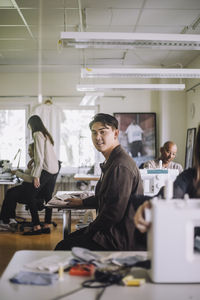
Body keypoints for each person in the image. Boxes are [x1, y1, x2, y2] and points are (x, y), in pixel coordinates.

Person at [55, 113, 143, 251]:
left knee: (63, 247)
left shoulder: (120, 165)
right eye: (94, 133)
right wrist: (82, 202)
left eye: (103, 132)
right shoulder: (112, 161)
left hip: (115, 239)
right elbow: (107, 197)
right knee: (67, 241)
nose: (97, 137)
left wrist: (89, 229)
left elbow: (113, 213)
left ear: (115, 133)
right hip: (110, 232)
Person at [134, 124, 200, 234]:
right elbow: (172, 191)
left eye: (173, 154)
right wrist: (150, 203)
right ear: (161, 150)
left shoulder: (178, 168)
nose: (170, 156)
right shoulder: (189, 177)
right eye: (168, 152)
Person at [22, 115, 59, 235]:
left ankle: (37, 226)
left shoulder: (37, 134)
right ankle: (47, 224)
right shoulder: (46, 134)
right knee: (48, 197)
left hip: (46, 170)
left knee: (30, 196)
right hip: (54, 170)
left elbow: (41, 156)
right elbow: (45, 154)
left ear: (32, 125)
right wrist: (33, 160)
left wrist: (36, 175)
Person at [0, 143, 35, 230]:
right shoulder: (35, 161)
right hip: (29, 188)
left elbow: (31, 179)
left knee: (10, 193)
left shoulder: (37, 162)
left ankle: (4, 220)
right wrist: (23, 170)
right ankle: (10, 219)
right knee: (11, 192)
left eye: (29, 151)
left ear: (35, 151)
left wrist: (17, 173)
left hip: (30, 189)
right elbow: (31, 174)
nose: (28, 153)